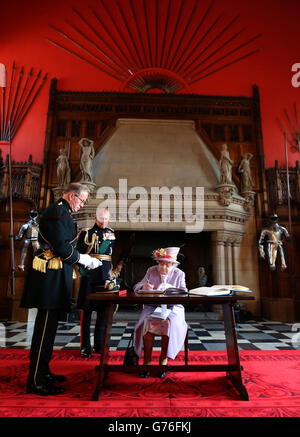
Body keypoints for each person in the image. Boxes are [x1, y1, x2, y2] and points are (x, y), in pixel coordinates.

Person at [20, 183, 102, 396]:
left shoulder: (62, 211)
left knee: (50, 329)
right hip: (49, 278)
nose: (82, 205)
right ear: (70, 195)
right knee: (44, 330)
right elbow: (62, 247)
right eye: (81, 200)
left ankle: (44, 372)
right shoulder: (58, 211)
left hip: (55, 276)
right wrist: (83, 259)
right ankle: (36, 380)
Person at [133, 247, 188, 378]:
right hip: (153, 306)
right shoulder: (151, 271)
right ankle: (147, 361)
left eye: (167, 264)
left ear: (173, 265)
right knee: (146, 324)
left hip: (172, 307)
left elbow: (184, 293)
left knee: (168, 324)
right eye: (161, 263)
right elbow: (136, 287)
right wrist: (143, 287)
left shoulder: (179, 274)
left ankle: (163, 360)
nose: (163, 267)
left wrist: (172, 291)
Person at [77, 207, 117, 358]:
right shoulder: (86, 233)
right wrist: (82, 271)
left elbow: (111, 256)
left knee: (103, 312)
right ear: (96, 218)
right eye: (102, 219)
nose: (104, 222)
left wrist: (111, 274)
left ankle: (99, 345)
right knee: (86, 312)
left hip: (104, 276)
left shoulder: (111, 233)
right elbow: (79, 255)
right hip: (89, 275)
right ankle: (85, 347)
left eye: (107, 219)